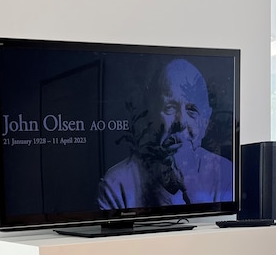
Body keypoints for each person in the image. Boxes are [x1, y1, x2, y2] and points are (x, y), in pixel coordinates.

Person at [98, 58, 233, 210]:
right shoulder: (117, 184)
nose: (181, 122)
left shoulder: (226, 174)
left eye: (192, 110)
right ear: (151, 117)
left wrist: (192, 185)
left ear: (206, 121)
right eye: (170, 107)